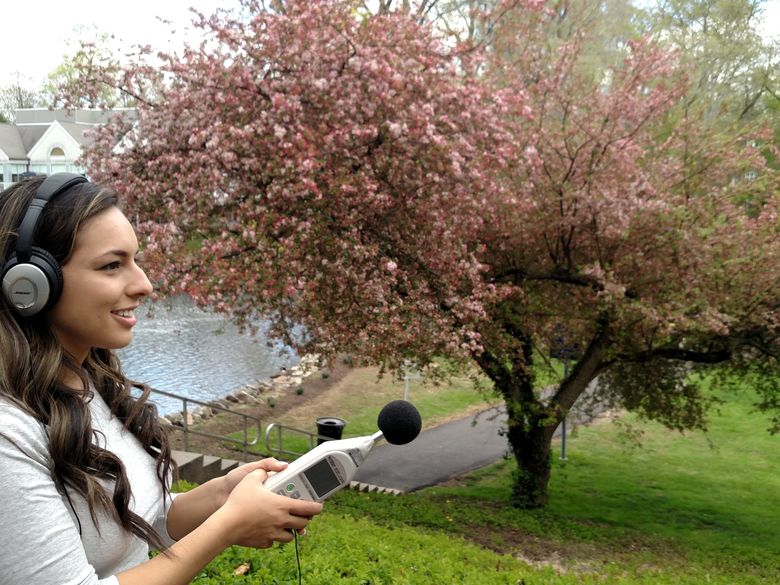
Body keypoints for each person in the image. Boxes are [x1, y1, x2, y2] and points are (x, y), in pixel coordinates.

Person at [0, 174, 323, 585]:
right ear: (28, 284)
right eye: (112, 265)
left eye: (135, 260)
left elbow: (139, 523)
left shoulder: (87, 384)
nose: (145, 285)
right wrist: (228, 527)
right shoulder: (8, 433)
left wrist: (223, 494)